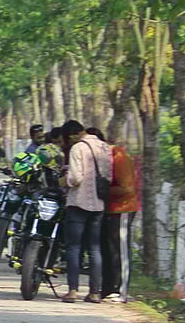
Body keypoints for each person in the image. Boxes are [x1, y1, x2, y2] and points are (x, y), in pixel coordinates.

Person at [60, 119, 112, 303]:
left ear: (73, 135)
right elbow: (108, 176)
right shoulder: (105, 147)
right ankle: (95, 292)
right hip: (99, 204)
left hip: (78, 203)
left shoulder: (77, 148)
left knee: (74, 247)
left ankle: (73, 291)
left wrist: (64, 181)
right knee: (95, 248)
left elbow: (76, 178)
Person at [102, 135, 139, 302]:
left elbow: (127, 188)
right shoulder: (105, 158)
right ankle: (110, 288)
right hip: (109, 210)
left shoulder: (119, 157)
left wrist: (101, 191)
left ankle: (122, 291)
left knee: (121, 250)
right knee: (110, 250)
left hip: (122, 209)